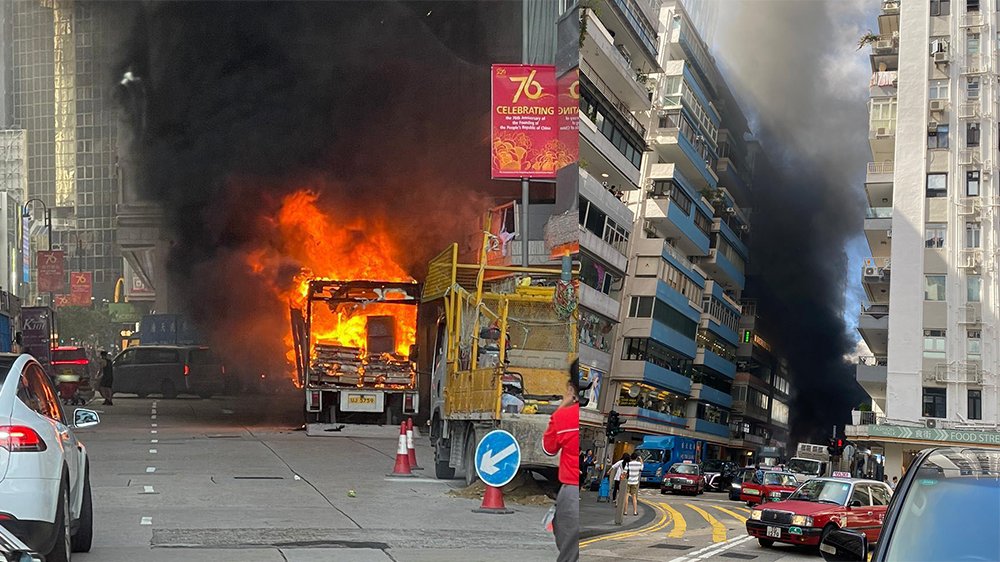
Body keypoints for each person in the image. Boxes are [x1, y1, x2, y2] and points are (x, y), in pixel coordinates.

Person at [542, 360, 579, 562]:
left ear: (572, 388)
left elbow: (548, 449)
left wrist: (561, 407)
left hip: (571, 494)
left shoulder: (563, 418)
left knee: (569, 553)